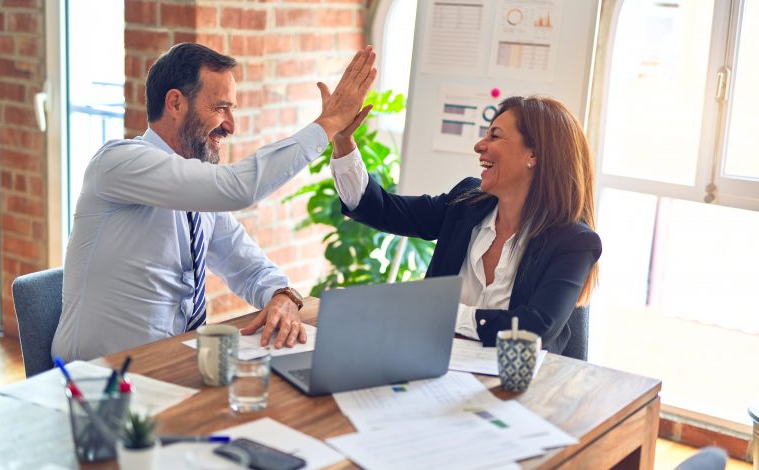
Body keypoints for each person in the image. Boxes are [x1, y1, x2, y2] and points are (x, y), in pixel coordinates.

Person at [52, 43, 376, 361]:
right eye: (221, 107)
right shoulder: (119, 163)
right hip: (98, 381)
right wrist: (329, 123)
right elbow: (239, 188)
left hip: (172, 367)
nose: (231, 126)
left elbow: (246, 264)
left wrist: (281, 295)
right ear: (176, 103)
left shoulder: (197, 194)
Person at [330, 95, 601, 354]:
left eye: (494, 136)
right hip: (435, 368)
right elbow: (380, 209)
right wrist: (343, 141)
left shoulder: (574, 242)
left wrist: (443, 313)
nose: (479, 145)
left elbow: (533, 330)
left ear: (534, 155)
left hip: (517, 388)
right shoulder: (466, 204)